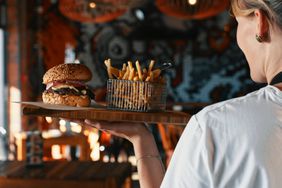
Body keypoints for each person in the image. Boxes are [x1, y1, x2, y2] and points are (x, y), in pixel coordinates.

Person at [84, 0, 282, 187]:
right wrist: (140, 136)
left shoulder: (213, 127)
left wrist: (140, 138)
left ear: (260, 22)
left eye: (237, 23)